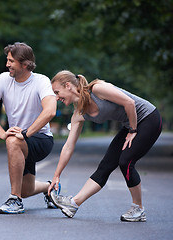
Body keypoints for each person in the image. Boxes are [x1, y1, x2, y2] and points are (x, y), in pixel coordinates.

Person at [49, 70, 162, 222]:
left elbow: (130, 103)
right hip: (130, 125)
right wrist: (56, 175)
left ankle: (138, 208)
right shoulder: (78, 114)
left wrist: (133, 130)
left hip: (148, 118)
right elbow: (68, 146)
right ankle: (73, 204)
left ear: (68, 85)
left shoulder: (97, 89)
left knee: (126, 161)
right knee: (106, 165)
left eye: (57, 92)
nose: (56, 98)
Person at [0, 42, 57, 214]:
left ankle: (15, 199)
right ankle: (49, 187)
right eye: (7, 60)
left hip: (40, 139)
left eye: (11, 61)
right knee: (27, 190)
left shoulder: (41, 81)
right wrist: (1, 133)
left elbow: (50, 110)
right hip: (20, 140)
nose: (7, 64)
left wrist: (25, 133)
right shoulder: (3, 79)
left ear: (25, 64)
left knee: (13, 140)